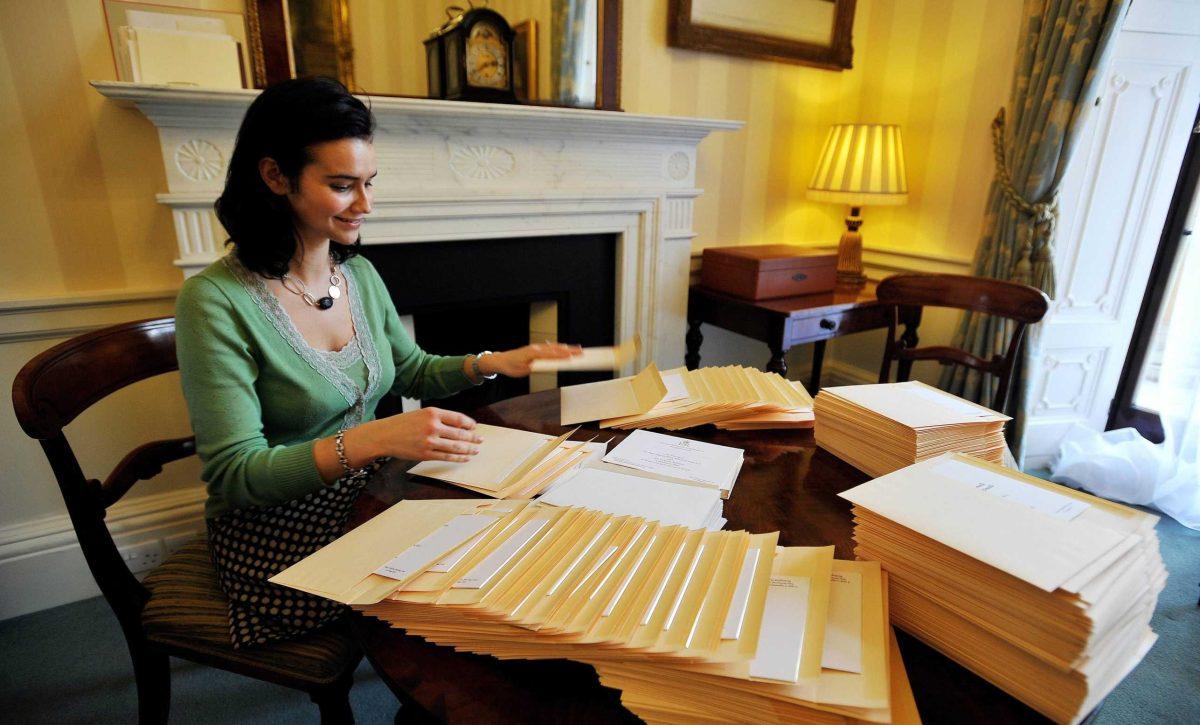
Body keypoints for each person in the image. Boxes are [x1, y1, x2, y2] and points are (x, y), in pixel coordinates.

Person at [175, 77, 579, 648]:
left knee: (516, 528)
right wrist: (377, 438)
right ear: (274, 177)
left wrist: (493, 361)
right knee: (470, 586)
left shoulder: (357, 276)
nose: (366, 205)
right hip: (278, 526)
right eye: (342, 186)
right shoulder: (215, 302)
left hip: (369, 487)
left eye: (368, 183)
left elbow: (410, 368)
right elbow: (237, 477)